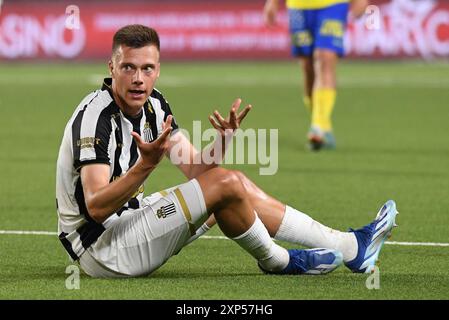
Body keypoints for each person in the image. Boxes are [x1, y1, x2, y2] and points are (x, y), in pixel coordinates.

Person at [56, 24, 397, 278]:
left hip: (131, 217)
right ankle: (279, 261)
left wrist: (223, 140)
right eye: (128, 67)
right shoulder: (95, 118)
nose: (138, 78)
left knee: (232, 185)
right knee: (226, 185)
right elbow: (96, 207)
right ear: (111, 68)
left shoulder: (155, 104)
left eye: (147, 68)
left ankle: (350, 246)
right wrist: (144, 167)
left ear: (158, 70)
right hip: (100, 249)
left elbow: (196, 170)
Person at [263, 0, 369, 150]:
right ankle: (324, 127)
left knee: (324, 58)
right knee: (308, 69)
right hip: (299, 7)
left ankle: (318, 126)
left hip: (333, 5)